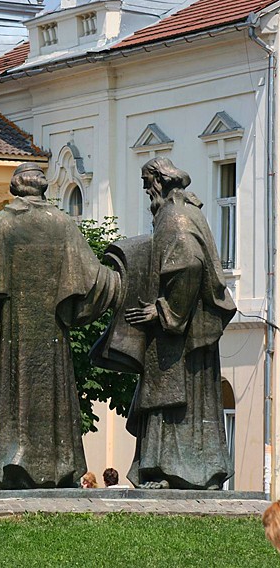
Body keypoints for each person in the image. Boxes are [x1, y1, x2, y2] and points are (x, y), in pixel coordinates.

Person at [0, 162, 119, 489]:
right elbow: (95, 277)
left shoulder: (2, 224)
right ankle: (58, 466)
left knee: (11, 391)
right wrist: (120, 280)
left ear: (16, 187)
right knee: (53, 389)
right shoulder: (63, 224)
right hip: (52, 337)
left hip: (13, 336)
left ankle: (10, 465)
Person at [122, 157, 236, 490]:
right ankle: (201, 472)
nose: (146, 192)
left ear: (159, 182)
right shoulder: (192, 212)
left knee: (169, 399)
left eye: (147, 184)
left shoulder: (173, 217)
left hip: (178, 335)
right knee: (197, 403)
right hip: (194, 334)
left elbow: (189, 263)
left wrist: (164, 311)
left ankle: (167, 471)